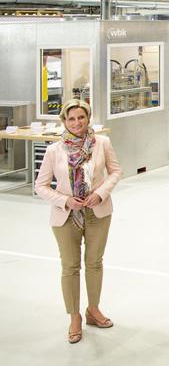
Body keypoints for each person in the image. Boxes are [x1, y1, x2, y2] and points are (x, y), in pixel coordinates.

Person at [34, 99, 122, 344]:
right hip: (66, 216)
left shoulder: (102, 143)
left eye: (81, 117)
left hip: (98, 212)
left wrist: (100, 193)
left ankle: (93, 310)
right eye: (71, 119)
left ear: (88, 117)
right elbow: (40, 186)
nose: (77, 123)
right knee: (70, 266)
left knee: (94, 262)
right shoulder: (55, 150)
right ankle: (74, 316)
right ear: (64, 121)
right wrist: (64, 200)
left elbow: (116, 171)